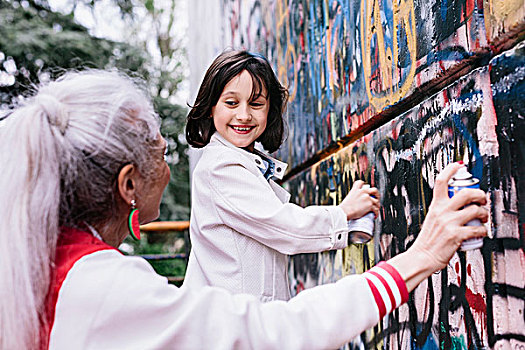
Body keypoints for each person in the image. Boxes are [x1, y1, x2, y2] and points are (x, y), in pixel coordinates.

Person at [0, 69, 488, 350]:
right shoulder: (100, 288)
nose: (172, 168)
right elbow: (277, 332)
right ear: (129, 184)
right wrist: (421, 255)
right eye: (161, 153)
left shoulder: (42, 267)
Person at [184, 50, 381, 302]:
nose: (244, 115)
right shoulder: (221, 168)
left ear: (270, 110)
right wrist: (344, 213)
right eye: (231, 103)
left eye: (256, 104)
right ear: (211, 107)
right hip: (238, 326)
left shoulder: (238, 162)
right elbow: (284, 226)